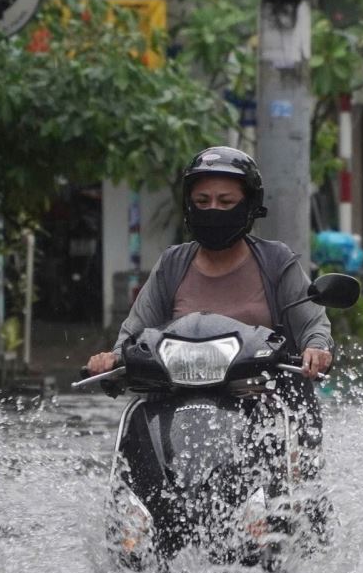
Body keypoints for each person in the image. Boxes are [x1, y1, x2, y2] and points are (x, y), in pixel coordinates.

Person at [84, 146, 333, 431]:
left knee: (298, 454)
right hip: (176, 415)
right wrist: (112, 359)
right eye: (202, 201)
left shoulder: (277, 263)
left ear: (250, 206)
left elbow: (313, 324)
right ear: (189, 205)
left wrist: (316, 349)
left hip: (265, 411)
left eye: (226, 202)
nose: (213, 209)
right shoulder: (172, 265)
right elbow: (134, 332)